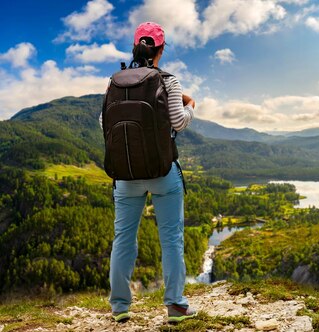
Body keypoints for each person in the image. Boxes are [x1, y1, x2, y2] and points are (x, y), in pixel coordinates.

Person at [105, 22, 197, 324]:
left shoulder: (114, 82)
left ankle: (119, 307)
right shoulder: (168, 81)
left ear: (136, 47)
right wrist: (191, 105)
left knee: (123, 239)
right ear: (160, 49)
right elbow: (178, 123)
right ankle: (175, 306)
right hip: (161, 171)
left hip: (126, 175)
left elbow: (103, 126)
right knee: (171, 238)